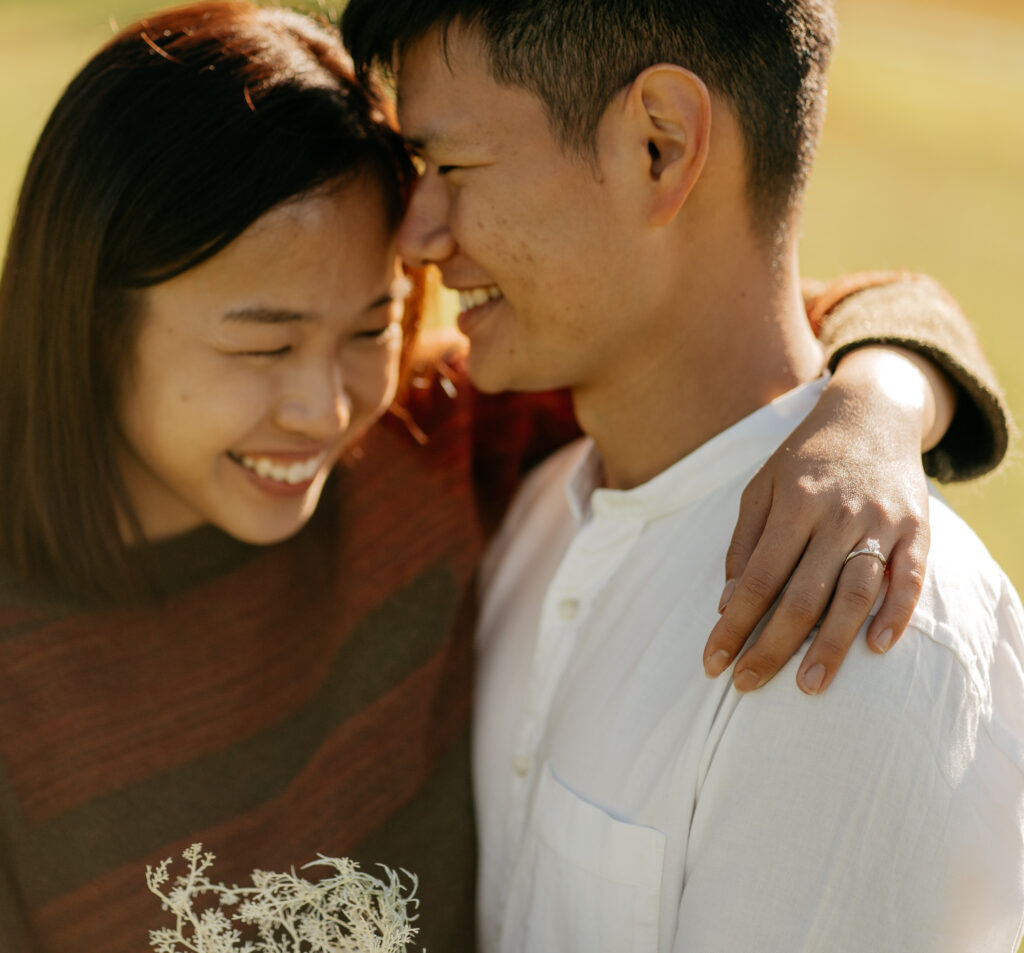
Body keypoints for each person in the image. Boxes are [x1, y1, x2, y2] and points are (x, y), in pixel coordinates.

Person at [0, 3, 1010, 952]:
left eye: (372, 325)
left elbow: (785, 310)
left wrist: (880, 398)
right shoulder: (26, 664)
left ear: (660, 143)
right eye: (262, 346)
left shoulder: (425, 445)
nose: (323, 407)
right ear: (89, 321)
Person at [341, 1, 1024, 951]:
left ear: (660, 147)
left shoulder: (856, 627)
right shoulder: (530, 505)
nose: (416, 234)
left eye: (452, 167)